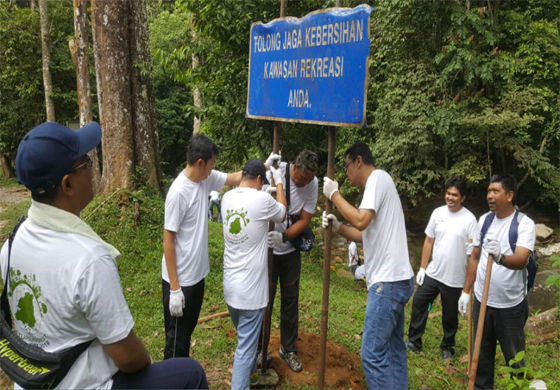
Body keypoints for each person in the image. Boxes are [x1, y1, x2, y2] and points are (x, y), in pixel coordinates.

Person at [0, 121, 207, 389]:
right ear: (67, 184)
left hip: (34, 382)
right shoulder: (89, 259)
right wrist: (145, 361)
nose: (92, 169)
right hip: (86, 384)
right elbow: (130, 358)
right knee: (191, 373)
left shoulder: (12, 243)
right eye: (85, 163)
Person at [162, 138, 279, 359]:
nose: (214, 168)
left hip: (197, 277)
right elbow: (168, 240)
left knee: (186, 333)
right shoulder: (178, 192)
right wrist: (174, 289)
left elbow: (236, 178)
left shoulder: (204, 179)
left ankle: (183, 377)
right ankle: (172, 378)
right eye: (212, 163)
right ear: (200, 162)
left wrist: (263, 166)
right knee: (176, 339)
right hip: (180, 280)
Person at [322, 142, 414, 390]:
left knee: (371, 354)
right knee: (393, 350)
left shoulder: (377, 178)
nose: (347, 173)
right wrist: (339, 227)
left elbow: (361, 221)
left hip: (388, 282)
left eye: (347, 166)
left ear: (358, 161)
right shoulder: (380, 185)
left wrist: (334, 195)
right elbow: (366, 235)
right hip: (398, 279)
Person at [458, 174, 536, 389]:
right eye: (488, 191)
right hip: (483, 300)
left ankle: (519, 386)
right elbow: (474, 256)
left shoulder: (524, 224)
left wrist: (500, 257)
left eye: (495, 191)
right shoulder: (484, 220)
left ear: (509, 195)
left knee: (514, 357)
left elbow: (521, 260)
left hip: (510, 305)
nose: (489, 196)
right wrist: (466, 292)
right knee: (481, 356)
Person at [221, 158, 287, 390]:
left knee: (245, 340)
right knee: (245, 349)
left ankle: (252, 379)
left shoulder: (227, 197)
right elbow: (282, 213)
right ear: (260, 179)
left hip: (231, 288)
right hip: (251, 292)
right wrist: (278, 183)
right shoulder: (262, 199)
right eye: (262, 182)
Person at [406, 177, 479, 362]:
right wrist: (422, 268)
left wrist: (466, 290)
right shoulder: (437, 213)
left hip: (455, 278)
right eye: (448, 193)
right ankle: (414, 341)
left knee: (449, 316)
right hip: (433, 273)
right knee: (419, 303)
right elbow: (429, 240)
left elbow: (473, 257)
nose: (450, 197)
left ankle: (447, 346)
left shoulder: (470, 220)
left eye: (455, 195)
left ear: (462, 198)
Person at [259, 149, 318, 373]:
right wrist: (266, 168)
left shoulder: (312, 184)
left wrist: (284, 236)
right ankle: (259, 349)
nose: (305, 182)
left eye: (309, 179)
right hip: (268, 249)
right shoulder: (276, 170)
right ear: (294, 167)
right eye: (302, 177)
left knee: (291, 301)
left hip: (289, 249)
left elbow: (305, 219)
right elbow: (253, 189)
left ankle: (288, 348)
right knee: (265, 300)